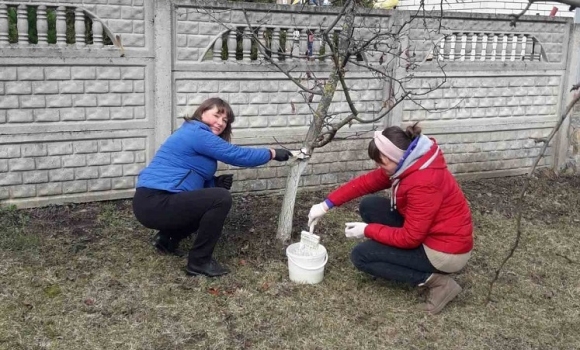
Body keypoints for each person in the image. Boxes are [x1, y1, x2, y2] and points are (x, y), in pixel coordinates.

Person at [307, 124, 473, 314]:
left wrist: (367, 230)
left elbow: (410, 238)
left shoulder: (423, 183)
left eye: (381, 163)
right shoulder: (409, 163)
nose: (379, 168)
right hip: (430, 233)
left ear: (395, 158)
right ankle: (391, 254)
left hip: (445, 252)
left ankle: (440, 283)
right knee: (370, 205)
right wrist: (325, 205)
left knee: (361, 256)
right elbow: (366, 183)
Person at [133, 97, 293, 277]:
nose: (220, 123)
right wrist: (270, 153)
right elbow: (235, 154)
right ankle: (199, 262)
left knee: (212, 198)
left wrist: (214, 182)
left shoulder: (195, 134)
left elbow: (190, 176)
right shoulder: (196, 132)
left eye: (225, 120)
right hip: (156, 201)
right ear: (202, 113)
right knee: (220, 199)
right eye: (216, 116)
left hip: (153, 202)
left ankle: (166, 240)